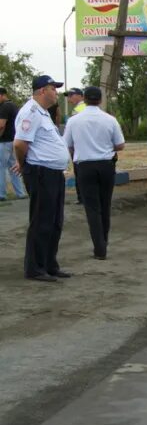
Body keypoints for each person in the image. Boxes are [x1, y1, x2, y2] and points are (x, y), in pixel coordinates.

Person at [12, 75, 72, 282]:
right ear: (41, 91)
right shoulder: (31, 111)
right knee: (42, 221)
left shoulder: (43, 113)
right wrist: (23, 163)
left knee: (55, 221)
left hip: (53, 172)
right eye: (52, 88)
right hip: (41, 172)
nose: (56, 92)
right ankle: (35, 268)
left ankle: (49, 264)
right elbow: (20, 144)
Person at [63, 87, 125, 260]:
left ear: (85, 99)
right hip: (106, 165)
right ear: (100, 100)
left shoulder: (74, 120)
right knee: (105, 205)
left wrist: (79, 149)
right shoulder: (110, 119)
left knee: (92, 208)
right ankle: (103, 242)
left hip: (84, 166)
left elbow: (66, 144)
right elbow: (120, 145)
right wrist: (105, 147)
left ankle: (99, 248)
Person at [0, 87, 27, 201]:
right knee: (14, 167)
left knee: (1, 167)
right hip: (14, 140)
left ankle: (1, 194)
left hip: (4, 141)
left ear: (1, 95)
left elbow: (1, 125)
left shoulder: (4, 107)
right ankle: (20, 192)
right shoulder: (14, 106)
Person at [66, 88, 86, 204]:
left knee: (80, 174)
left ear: (80, 96)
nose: (69, 99)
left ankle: (81, 197)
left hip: (79, 147)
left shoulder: (80, 109)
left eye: (71, 95)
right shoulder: (81, 108)